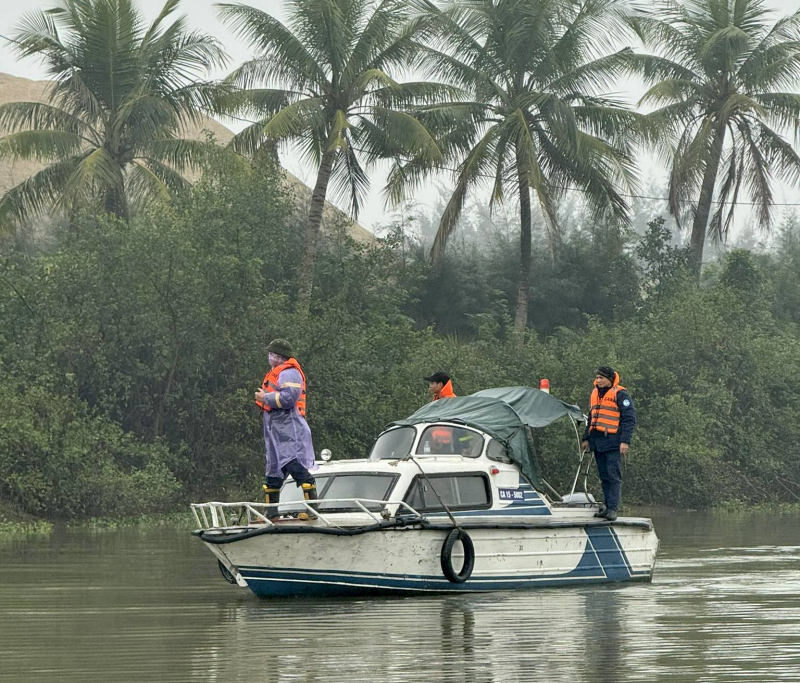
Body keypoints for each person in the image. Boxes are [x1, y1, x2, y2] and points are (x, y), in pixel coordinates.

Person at [254, 339, 317, 513]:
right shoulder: (278, 372)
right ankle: (271, 513)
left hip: (289, 427)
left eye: (271, 354)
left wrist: (265, 398)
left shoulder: (290, 373)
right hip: (274, 428)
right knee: (273, 470)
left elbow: (289, 398)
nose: (269, 357)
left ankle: (312, 509)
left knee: (292, 463)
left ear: (279, 356)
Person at [581, 366, 636, 522]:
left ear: (610, 379)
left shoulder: (620, 394)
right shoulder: (595, 394)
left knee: (613, 476)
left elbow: (629, 419)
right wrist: (586, 438)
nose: (598, 380)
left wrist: (625, 441)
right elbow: (592, 418)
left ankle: (612, 509)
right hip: (598, 442)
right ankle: (607, 507)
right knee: (604, 476)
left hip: (613, 442)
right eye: (597, 377)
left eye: (601, 378)